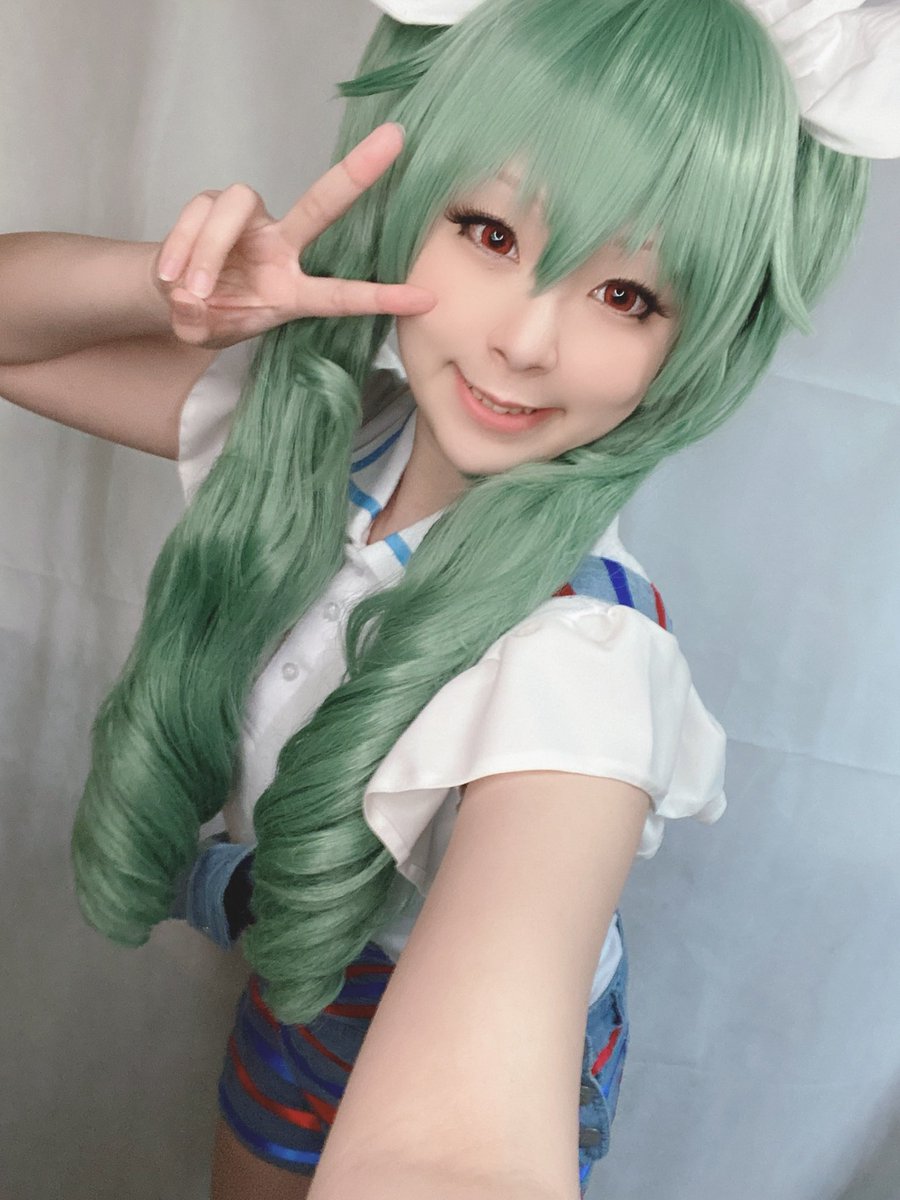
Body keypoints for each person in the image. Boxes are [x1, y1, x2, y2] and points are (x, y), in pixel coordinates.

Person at [0, 0, 895, 1197]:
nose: (526, 340)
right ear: (408, 203)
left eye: (627, 296)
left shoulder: (577, 662)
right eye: (490, 232)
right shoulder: (315, 444)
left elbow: (460, 1151)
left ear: (695, 344)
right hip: (294, 979)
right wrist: (176, 291)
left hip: (412, 1005)